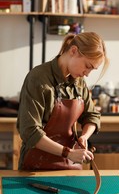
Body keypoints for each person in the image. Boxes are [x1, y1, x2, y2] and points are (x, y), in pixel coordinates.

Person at [17, 32, 109, 170]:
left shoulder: (79, 82)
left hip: (71, 164)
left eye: (92, 69)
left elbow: (92, 115)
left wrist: (84, 136)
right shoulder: (38, 79)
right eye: (88, 66)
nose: (87, 73)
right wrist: (68, 153)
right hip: (36, 167)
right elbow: (29, 132)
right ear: (73, 51)